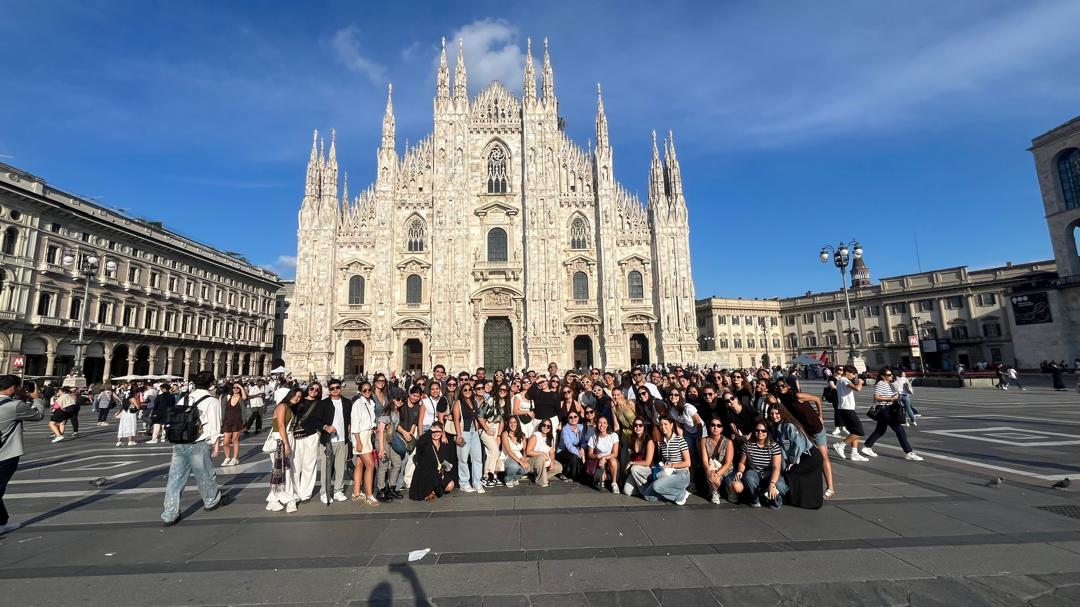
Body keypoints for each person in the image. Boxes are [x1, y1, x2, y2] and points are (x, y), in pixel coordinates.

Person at [161, 371, 231, 526]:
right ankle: (211, 501)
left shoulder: (185, 398)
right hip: (198, 443)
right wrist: (216, 445)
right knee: (205, 475)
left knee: (175, 478)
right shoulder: (211, 401)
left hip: (180, 442)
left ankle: (169, 513)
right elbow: (214, 426)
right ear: (211, 384)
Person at [0, 376, 47, 534]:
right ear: (13, 388)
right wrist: (37, 399)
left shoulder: (14, 404)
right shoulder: (15, 405)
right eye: (20, 387)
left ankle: (2, 522)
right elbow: (37, 415)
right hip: (6, 454)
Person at [767, 405, 823, 509]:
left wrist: (792, 461)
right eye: (771, 413)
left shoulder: (789, 426)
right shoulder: (775, 426)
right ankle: (798, 500)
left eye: (777, 413)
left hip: (809, 457)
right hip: (799, 457)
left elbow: (798, 445)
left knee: (792, 474)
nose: (774, 416)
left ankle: (809, 502)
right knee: (795, 477)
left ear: (782, 413)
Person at [862, 368, 924, 462]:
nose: (891, 376)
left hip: (889, 408)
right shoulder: (881, 383)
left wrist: (898, 393)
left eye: (891, 375)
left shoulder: (889, 384)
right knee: (899, 430)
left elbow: (896, 394)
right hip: (884, 409)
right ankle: (909, 452)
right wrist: (891, 399)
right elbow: (876, 397)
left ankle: (867, 446)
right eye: (889, 375)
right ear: (883, 376)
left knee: (880, 430)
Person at [634, 417, 692, 505]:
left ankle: (681, 494)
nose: (663, 426)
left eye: (666, 424)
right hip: (668, 473)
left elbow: (688, 462)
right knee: (647, 495)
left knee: (656, 486)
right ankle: (674, 493)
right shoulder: (661, 442)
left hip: (681, 474)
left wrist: (671, 465)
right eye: (661, 424)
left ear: (671, 425)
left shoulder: (680, 440)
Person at [730, 421, 787, 508]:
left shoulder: (774, 446)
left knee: (780, 486)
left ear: (767, 432)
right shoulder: (748, 445)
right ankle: (755, 499)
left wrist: (772, 483)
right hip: (755, 472)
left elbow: (776, 467)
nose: (760, 432)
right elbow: (742, 462)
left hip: (770, 473)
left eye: (763, 431)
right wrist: (740, 471)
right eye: (757, 430)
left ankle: (774, 499)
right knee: (748, 476)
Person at [313, 378, 352, 505]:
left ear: (341, 387)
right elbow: (317, 420)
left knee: (341, 468)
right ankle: (324, 492)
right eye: (332, 388)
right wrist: (325, 427)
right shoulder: (323, 403)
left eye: (337, 387)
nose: (335, 390)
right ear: (329, 390)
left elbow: (350, 419)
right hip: (328, 441)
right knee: (326, 468)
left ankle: (338, 491)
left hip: (342, 439)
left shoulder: (347, 403)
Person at [265, 387, 301, 513]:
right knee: (284, 470)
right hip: (281, 440)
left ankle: (273, 499)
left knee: (279, 470)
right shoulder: (282, 406)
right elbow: (280, 425)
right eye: (295, 395)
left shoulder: (289, 407)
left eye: (299, 397)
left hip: (286, 438)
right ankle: (289, 499)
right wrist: (286, 444)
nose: (297, 398)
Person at [290, 382, 324, 504]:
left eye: (317, 390)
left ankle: (305, 494)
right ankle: (294, 492)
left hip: (312, 436)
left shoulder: (320, 403)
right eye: (312, 388)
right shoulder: (299, 400)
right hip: (297, 436)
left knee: (309, 465)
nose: (314, 391)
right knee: (295, 465)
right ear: (308, 389)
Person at [348, 381, 379, 506]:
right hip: (360, 436)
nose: (367, 392)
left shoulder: (370, 403)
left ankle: (356, 493)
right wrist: (358, 442)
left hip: (367, 434)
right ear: (360, 391)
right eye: (364, 390)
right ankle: (369, 495)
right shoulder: (358, 404)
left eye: (369, 389)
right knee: (370, 465)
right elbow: (355, 424)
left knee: (360, 464)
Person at [452, 383, 486, 493]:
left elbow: (477, 417)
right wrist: (459, 435)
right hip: (464, 433)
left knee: (477, 458)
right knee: (463, 459)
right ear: (461, 391)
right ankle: (464, 483)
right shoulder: (458, 403)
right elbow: (456, 420)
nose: (467, 391)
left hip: (474, 433)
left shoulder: (473, 401)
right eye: (465, 390)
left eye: (469, 389)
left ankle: (477, 482)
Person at [408, 422, 456, 501]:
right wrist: (431, 430)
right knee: (430, 478)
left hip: (438, 472)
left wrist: (443, 472)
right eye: (434, 432)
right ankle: (430, 491)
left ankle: (434, 491)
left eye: (438, 431)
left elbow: (446, 462)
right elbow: (419, 442)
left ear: (441, 433)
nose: (436, 433)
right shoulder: (426, 443)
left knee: (450, 485)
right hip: (425, 473)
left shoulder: (444, 444)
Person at [832, 365, 868, 462]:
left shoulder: (842, 380)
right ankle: (841, 445)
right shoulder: (843, 380)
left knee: (854, 431)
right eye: (853, 374)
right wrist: (860, 383)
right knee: (859, 432)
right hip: (847, 409)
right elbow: (857, 389)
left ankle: (854, 453)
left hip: (846, 409)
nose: (853, 376)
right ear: (847, 372)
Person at [374, 392, 404, 502]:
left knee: (397, 463)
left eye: (402, 400)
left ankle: (392, 487)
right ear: (392, 399)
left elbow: (396, 426)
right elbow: (381, 430)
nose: (400, 401)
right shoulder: (387, 411)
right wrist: (381, 449)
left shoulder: (397, 411)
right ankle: (381, 490)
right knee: (384, 465)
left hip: (392, 438)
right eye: (398, 398)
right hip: (383, 438)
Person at [700, 415, 735, 504]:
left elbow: (728, 463)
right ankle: (715, 491)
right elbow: (704, 460)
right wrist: (708, 471)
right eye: (713, 425)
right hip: (712, 466)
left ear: (722, 429)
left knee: (735, 487)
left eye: (718, 426)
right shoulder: (704, 440)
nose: (715, 427)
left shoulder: (728, 442)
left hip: (725, 469)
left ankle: (727, 490)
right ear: (709, 426)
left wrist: (717, 474)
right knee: (711, 476)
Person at [477, 385, 504, 488]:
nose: (503, 392)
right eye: (501, 390)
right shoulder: (491, 400)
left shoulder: (505, 403)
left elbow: (502, 420)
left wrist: (499, 435)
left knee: (491, 453)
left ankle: (489, 475)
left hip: (497, 428)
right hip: (486, 427)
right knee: (494, 450)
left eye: (505, 390)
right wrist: (486, 429)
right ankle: (487, 475)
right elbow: (480, 415)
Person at [622, 418, 656, 497]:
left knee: (634, 468)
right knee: (627, 491)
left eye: (640, 425)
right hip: (636, 470)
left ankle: (647, 492)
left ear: (644, 427)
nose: (638, 427)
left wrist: (632, 463)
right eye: (635, 425)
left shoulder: (649, 441)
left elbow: (648, 462)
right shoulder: (632, 439)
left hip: (647, 469)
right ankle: (644, 488)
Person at [586, 416, 620, 492]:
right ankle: (602, 477)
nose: (602, 425)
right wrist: (597, 456)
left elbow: (615, 453)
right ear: (597, 424)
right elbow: (590, 454)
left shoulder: (613, 436)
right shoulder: (593, 437)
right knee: (602, 477)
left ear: (607, 425)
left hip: (610, 457)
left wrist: (604, 457)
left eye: (604, 423)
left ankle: (614, 483)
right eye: (600, 423)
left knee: (613, 460)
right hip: (599, 460)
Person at [525, 419, 562, 487]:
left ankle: (539, 477)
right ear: (541, 426)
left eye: (548, 426)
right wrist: (541, 453)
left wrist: (552, 462)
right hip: (533, 460)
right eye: (544, 425)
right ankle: (541, 481)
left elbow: (551, 453)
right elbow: (528, 451)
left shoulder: (550, 438)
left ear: (550, 428)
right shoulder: (535, 436)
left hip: (546, 461)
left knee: (559, 467)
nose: (546, 427)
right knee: (540, 458)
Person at [220, 382, 246, 466]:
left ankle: (235, 458)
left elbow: (245, 397)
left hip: (237, 421)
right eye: (234, 388)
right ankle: (227, 457)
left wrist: (241, 388)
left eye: (237, 388)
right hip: (227, 421)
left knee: (235, 439)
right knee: (225, 442)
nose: (235, 389)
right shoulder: (228, 397)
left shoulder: (241, 398)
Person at [556, 410, 585, 482]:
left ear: (578, 418)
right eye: (570, 417)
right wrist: (579, 453)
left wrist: (582, 448)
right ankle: (566, 474)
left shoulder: (581, 427)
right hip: (563, 451)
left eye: (575, 416)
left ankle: (582, 474)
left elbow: (584, 440)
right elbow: (569, 446)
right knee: (574, 456)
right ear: (568, 419)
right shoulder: (565, 429)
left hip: (577, 449)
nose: (573, 419)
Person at [501, 416, 529, 487]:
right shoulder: (505, 434)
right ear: (508, 424)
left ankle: (514, 478)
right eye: (510, 422)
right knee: (514, 466)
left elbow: (524, 451)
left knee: (527, 469)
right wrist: (520, 462)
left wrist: (524, 458)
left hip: (518, 456)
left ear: (518, 423)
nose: (513, 424)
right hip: (507, 457)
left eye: (514, 422)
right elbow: (509, 451)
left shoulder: (522, 435)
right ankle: (508, 479)